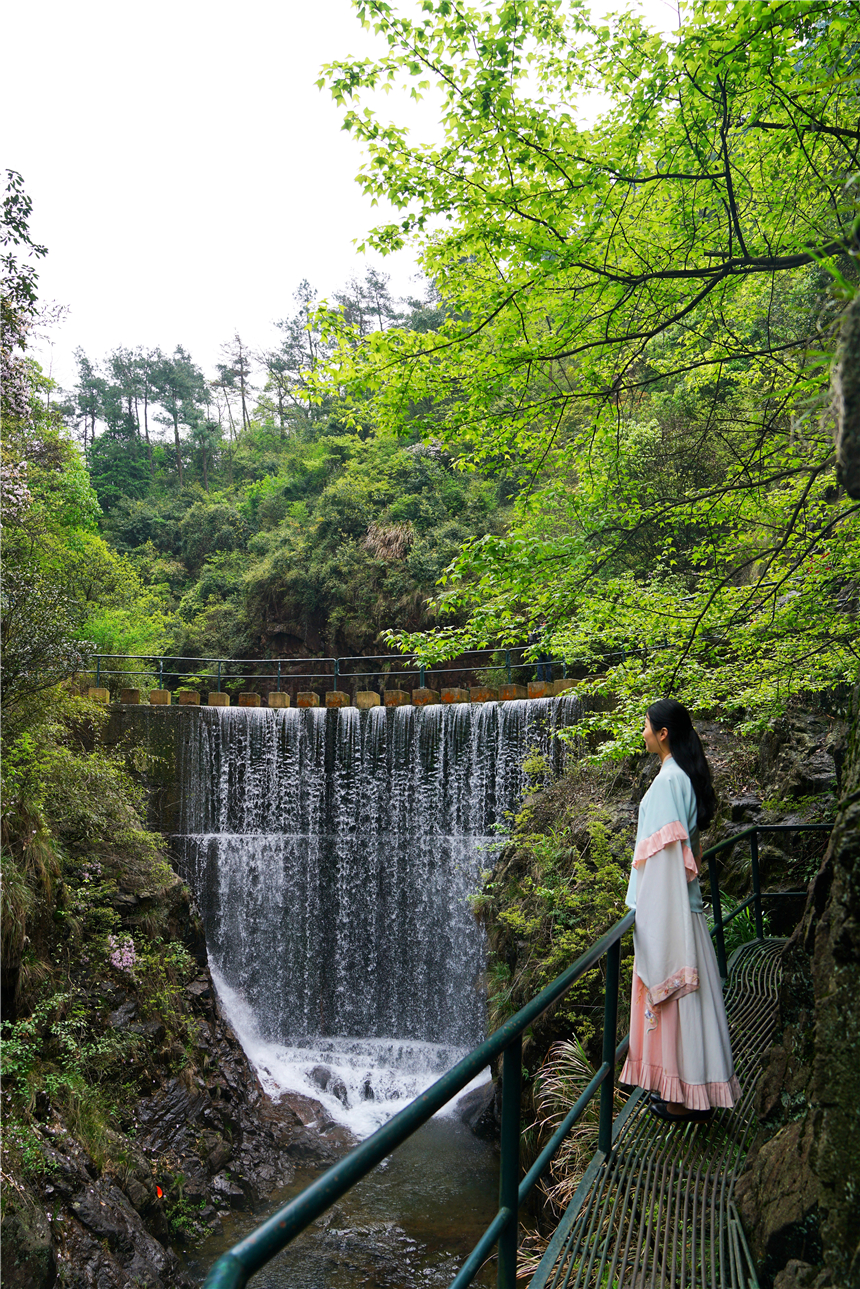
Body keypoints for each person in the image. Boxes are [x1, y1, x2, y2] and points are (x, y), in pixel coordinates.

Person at [620, 698, 740, 1123]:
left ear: (663, 733)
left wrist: (653, 919)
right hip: (679, 905)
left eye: (646, 726)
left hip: (670, 908)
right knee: (691, 1004)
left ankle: (686, 1098)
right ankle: (688, 1092)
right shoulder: (678, 777)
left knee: (680, 998)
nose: (643, 732)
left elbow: (668, 860)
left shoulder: (671, 782)